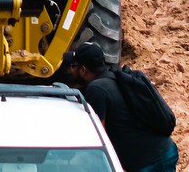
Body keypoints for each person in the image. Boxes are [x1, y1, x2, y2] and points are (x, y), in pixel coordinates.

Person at [62, 42, 179, 172]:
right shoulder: (117, 78)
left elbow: (98, 136)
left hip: (149, 163)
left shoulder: (96, 89)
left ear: (83, 70)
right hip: (165, 151)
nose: (71, 70)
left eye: (73, 66)